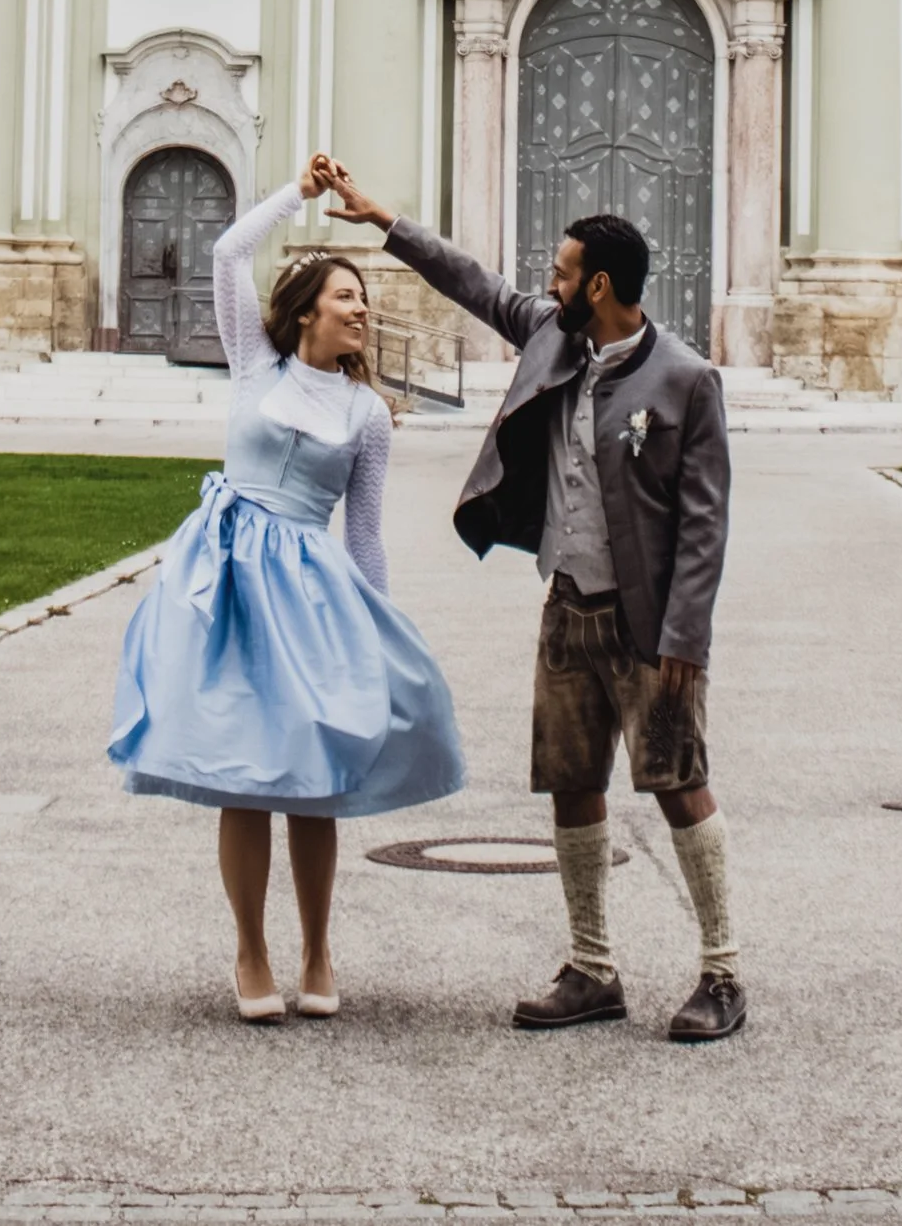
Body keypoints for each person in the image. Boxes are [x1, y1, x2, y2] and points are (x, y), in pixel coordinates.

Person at [312, 154, 743, 1044]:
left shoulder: (687, 381)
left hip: (647, 626)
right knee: (571, 786)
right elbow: (472, 282)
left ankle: (722, 971)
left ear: (603, 286)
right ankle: (593, 967)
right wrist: (381, 218)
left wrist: (682, 644)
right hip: (567, 606)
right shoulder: (554, 334)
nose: (548, 282)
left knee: (679, 785)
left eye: (562, 271)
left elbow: (705, 527)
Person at [107, 165, 464, 1023]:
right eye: (349, 296)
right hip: (227, 583)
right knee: (242, 767)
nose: (363, 310)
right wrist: (296, 195)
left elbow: (367, 531)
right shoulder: (253, 368)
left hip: (311, 593)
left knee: (313, 775)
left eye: (365, 302)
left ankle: (317, 948)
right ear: (309, 309)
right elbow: (230, 253)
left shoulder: (367, 414)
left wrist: (377, 632)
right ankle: (250, 951)